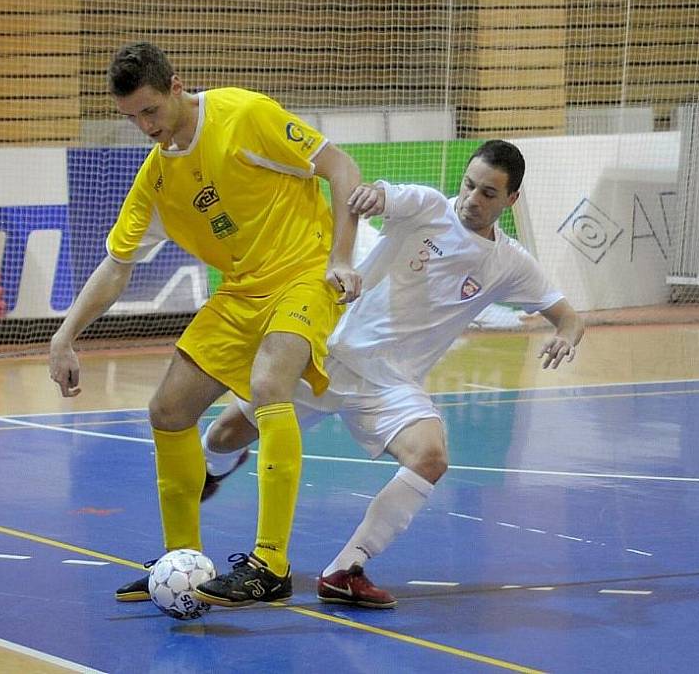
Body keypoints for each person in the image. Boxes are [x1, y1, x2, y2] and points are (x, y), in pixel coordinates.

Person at [192, 139, 585, 609]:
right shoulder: (428, 206)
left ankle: (345, 569)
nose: (471, 200)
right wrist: (372, 195)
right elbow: (378, 195)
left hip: (390, 383)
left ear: (510, 201)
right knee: (222, 435)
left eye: (488, 194)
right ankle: (216, 468)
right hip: (331, 355)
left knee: (431, 457)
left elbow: (570, 316)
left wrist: (565, 333)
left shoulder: (510, 263)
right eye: (469, 185)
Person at [48, 42, 363, 608]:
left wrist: (342, 255)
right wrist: (65, 335)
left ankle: (271, 564)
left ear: (176, 86)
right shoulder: (157, 177)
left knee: (269, 386)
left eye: (150, 111)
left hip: (305, 272)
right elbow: (117, 267)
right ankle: (181, 562)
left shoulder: (244, 115)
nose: (145, 126)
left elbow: (339, 166)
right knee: (167, 410)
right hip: (241, 291)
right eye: (131, 118)